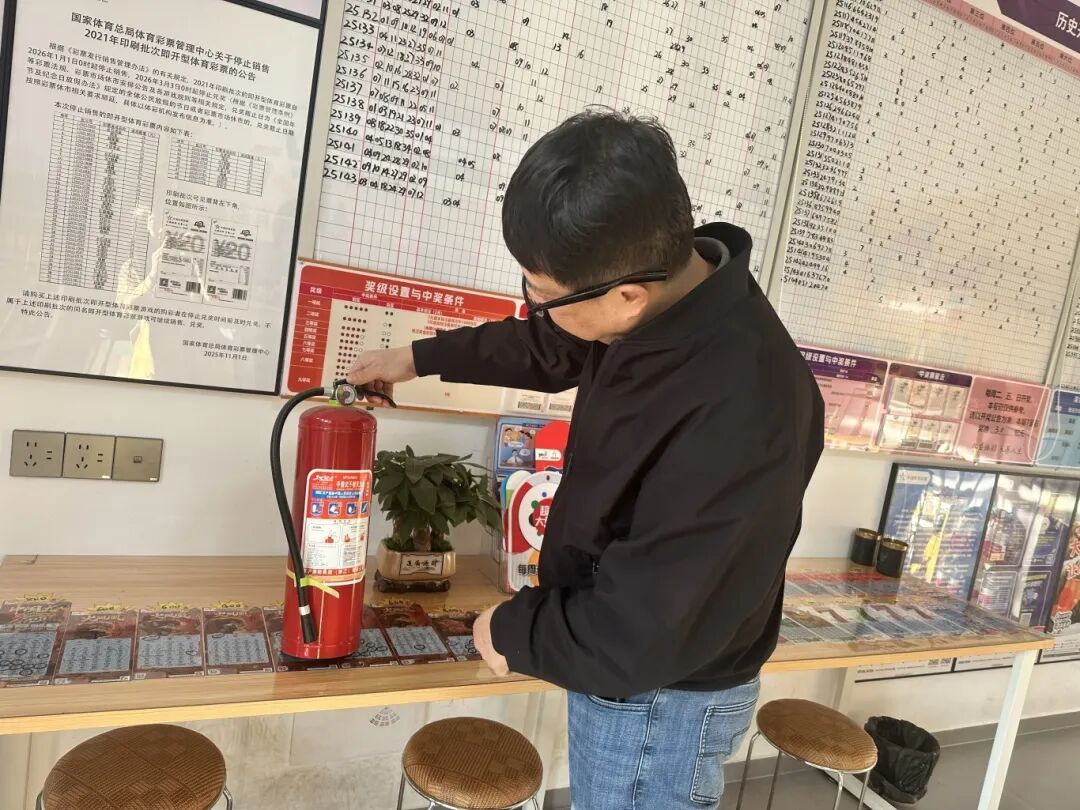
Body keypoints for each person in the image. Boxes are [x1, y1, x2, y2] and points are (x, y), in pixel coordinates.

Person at [347, 110, 824, 810]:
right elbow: (550, 344)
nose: (534, 307)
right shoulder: (663, 296)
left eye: (539, 294)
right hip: (629, 664)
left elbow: (645, 627)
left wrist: (513, 630)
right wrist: (415, 357)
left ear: (626, 297)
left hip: (661, 699)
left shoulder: (742, 408)